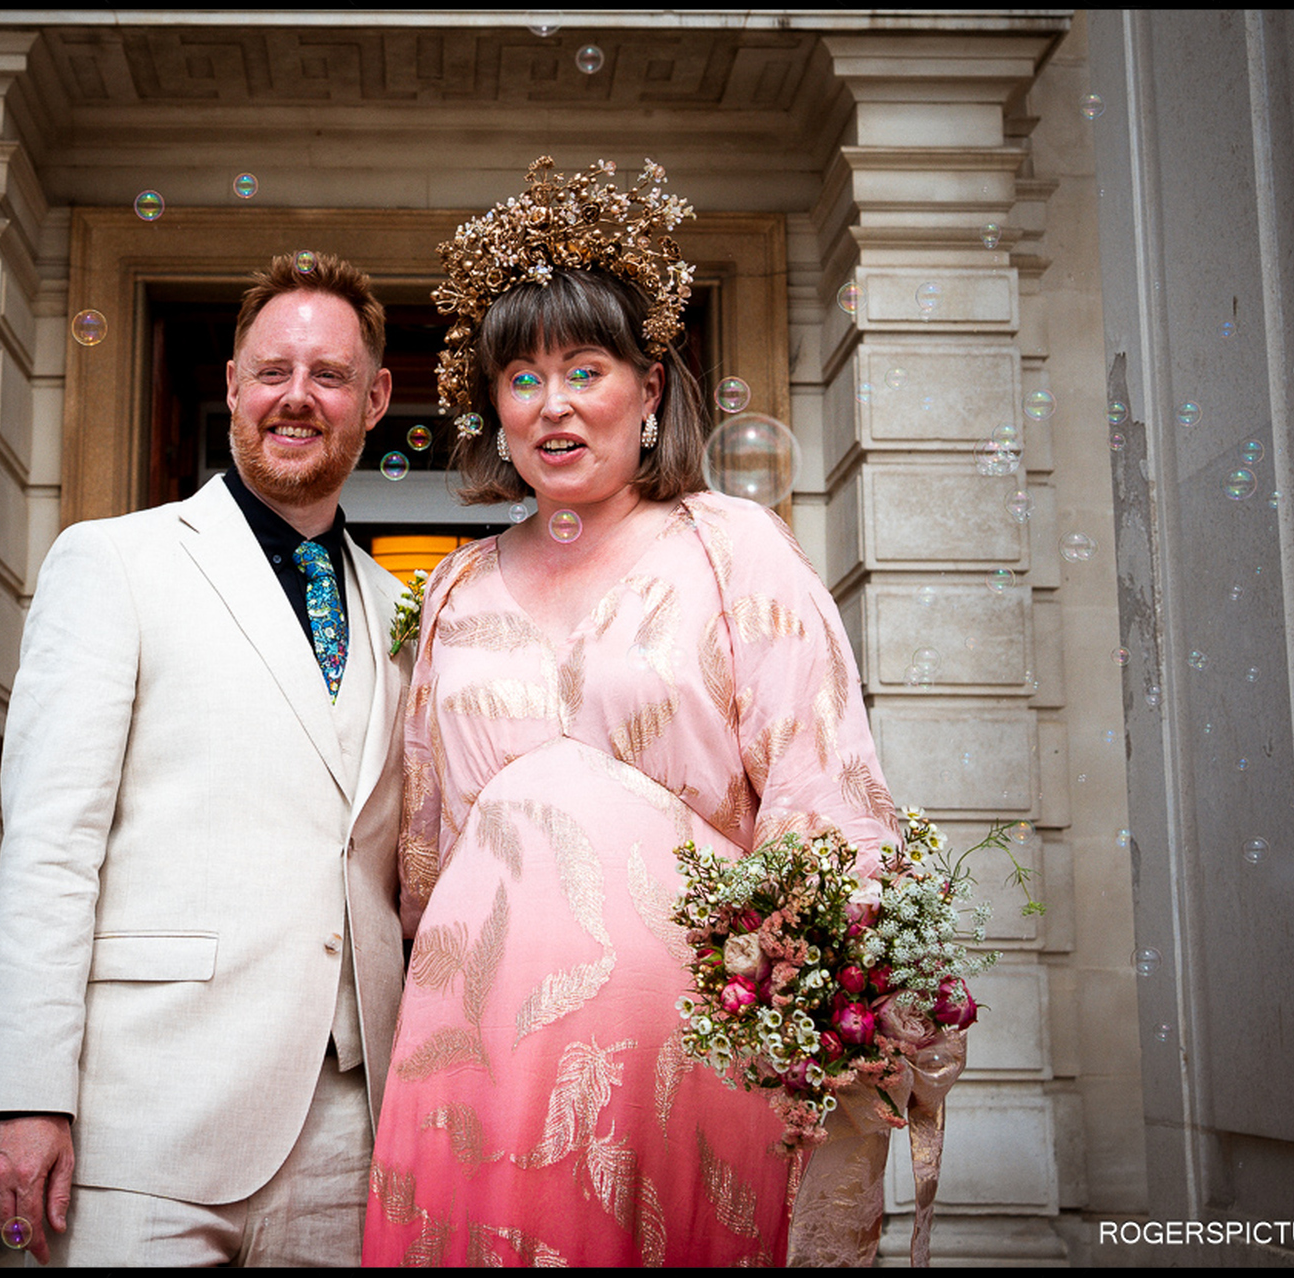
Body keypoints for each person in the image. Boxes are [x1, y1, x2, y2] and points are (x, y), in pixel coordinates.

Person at [361, 158, 917, 1266]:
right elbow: (427, 863)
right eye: (521, 377)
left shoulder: (731, 547)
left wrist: (831, 1002)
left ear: (651, 384)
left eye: (585, 368)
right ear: (493, 407)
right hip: (478, 1067)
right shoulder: (457, 593)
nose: (553, 404)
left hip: (690, 1049)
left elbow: (821, 790)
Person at [0, 251, 410, 1266]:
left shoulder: (406, 613)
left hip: (355, 1125)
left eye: (331, 375)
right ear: (231, 386)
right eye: (272, 371)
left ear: (376, 397)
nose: (297, 398)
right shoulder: (112, 562)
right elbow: (49, 848)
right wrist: (27, 1094)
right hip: (144, 1120)